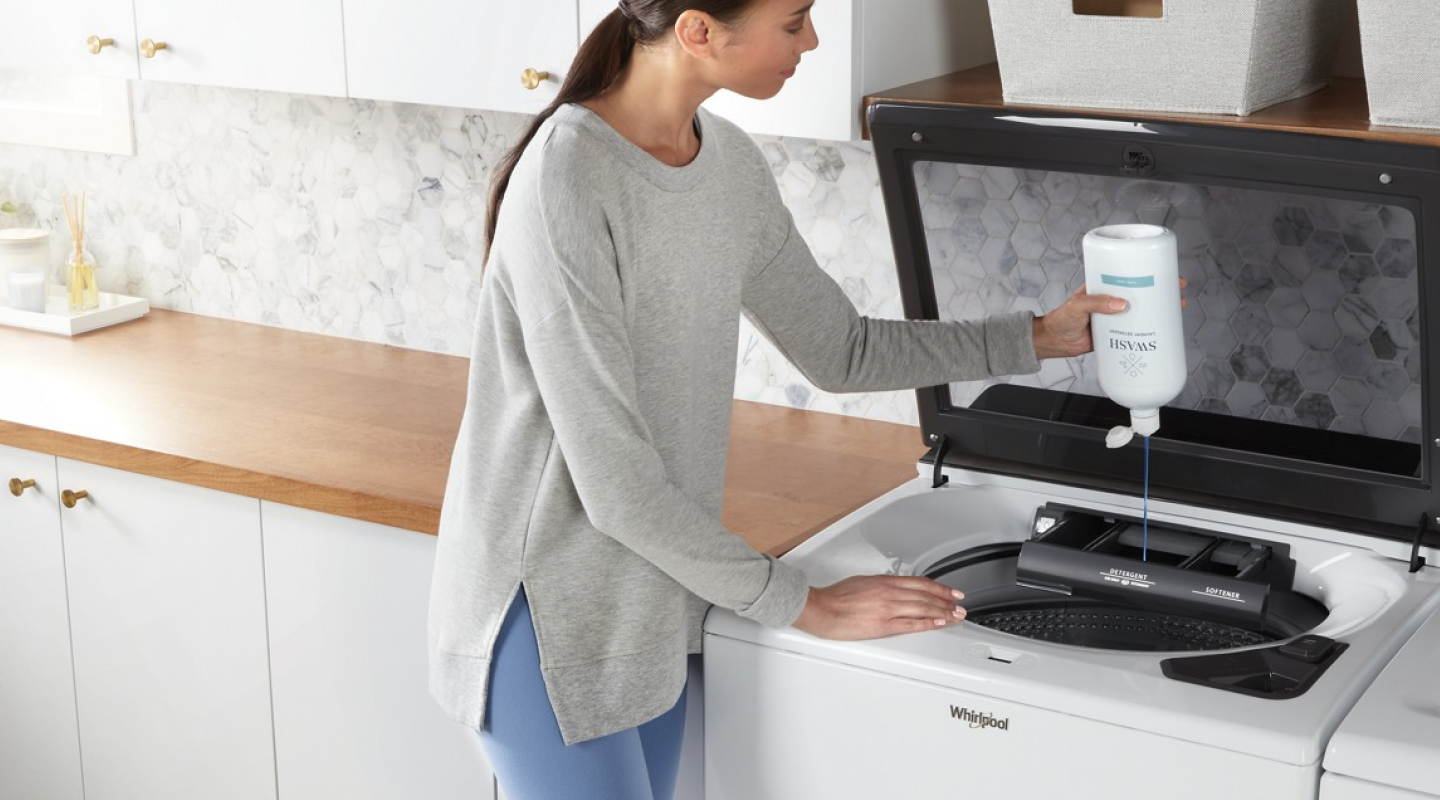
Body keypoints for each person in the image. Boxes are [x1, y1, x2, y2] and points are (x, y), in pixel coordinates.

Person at [427, 1, 1126, 798]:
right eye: (793, 22)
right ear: (696, 31)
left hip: (657, 597)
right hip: (549, 616)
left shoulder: (724, 163)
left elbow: (842, 348)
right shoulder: (568, 177)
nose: (813, 41)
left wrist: (1038, 336)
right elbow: (615, 487)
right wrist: (805, 606)